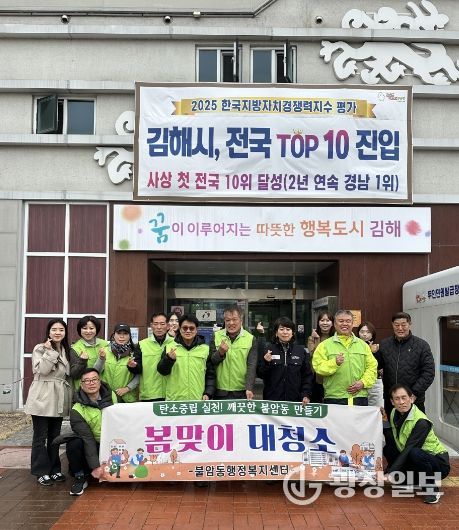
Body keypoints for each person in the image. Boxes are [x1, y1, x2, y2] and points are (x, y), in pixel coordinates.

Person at [24, 318, 72, 486]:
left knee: (55, 436)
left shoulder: (66, 350)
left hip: (58, 396)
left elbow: (67, 374)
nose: (58, 332)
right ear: (48, 332)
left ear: (65, 332)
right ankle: (41, 471)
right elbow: (43, 370)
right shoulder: (40, 348)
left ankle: (54, 469)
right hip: (42, 396)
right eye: (54, 329)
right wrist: (50, 352)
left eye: (61, 329)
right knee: (40, 436)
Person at [384, 384, 450, 504]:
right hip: (417, 460)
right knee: (388, 448)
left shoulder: (421, 421)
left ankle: (431, 491)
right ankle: (407, 479)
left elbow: (410, 448)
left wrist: (392, 471)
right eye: (397, 399)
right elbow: (392, 438)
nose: (401, 402)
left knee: (415, 452)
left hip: (438, 463)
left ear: (412, 399)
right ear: (392, 402)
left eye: (404, 398)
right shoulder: (394, 413)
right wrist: (383, 420)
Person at [65, 368, 116, 495]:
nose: (91, 383)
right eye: (87, 381)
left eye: (94, 379)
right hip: (94, 444)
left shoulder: (113, 396)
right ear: (81, 385)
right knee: (74, 443)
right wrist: (95, 466)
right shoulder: (77, 410)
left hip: (114, 444)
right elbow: (87, 439)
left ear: (99, 381)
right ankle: (80, 477)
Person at [312, 310, 377, 406]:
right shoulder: (324, 345)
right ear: (334, 324)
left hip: (359, 397)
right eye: (341, 321)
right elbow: (318, 366)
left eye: (348, 321)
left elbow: (372, 367)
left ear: (352, 324)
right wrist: (334, 363)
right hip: (334, 397)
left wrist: (363, 383)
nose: (344, 324)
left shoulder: (363, 345)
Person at [379, 312, 435, 414]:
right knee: (393, 424)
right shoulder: (384, 344)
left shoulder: (422, 345)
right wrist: (374, 353)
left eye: (403, 325)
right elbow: (377, 366)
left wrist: (414, 393)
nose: (400, 328)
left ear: (409, 324)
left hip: (413, 399)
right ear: (392, 325)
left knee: (415, 424)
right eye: (397, 325)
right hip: (391, 400)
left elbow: (429, 372)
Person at [157, 314, 215, 401]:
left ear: (196, 330)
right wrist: (169, 359)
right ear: (180, 329)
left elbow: (210, 375)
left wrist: (208, 393)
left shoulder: (205, 349)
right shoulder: (170, 347)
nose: (188, 331)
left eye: (191, 328)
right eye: (185, 328)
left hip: (198, 400)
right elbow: (162, 371)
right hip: (175, 401)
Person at [257, 316, 314, 404]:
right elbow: (260, 374)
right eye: (281, 329)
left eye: (288, 329)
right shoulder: (269, 350)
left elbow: (307, 376)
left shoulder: (300, 351)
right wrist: (267, 363)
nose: (285, 332)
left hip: (296, 400)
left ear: (292, 333)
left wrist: (306, 394)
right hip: (273, 400)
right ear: (276, 332)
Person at [209, 305, 257, 400]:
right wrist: (220, 353)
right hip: (220, 390)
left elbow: (251, 366)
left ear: (241, 320)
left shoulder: (250, 338)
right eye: (228, 320)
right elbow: (212, 361)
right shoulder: (216, 336)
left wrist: (249, 388)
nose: (231, 323)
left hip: (242, 391)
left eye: (235, 319)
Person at [128, 313, 175, 401]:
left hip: (171, 395)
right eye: (156, 324)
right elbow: (138, 369)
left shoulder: (176, 344)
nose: (159, 327)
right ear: (151, 326)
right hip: (149, 394)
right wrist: (133, 366)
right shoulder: (142, 344)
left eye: (162, 324)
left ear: (168, 326)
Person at [98, 322, 140, 403]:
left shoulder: (135, 353)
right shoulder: (105, 350)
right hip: (106, 396)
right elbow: (96, 371)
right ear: (114, 335)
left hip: (126, 398)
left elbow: (139, 375)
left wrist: (127, 388)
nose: (122, 336)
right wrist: (101, 359)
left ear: (129, 336)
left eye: (125, 334)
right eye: (119, 333)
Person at [69, 315, 108, 390]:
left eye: (91, 328)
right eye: (84, 328)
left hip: (103, 389)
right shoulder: (75, 348)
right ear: (80, 330)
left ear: (96, 329)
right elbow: (74, 375)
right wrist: (82, 361)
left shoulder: (105, 345)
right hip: (83, 390)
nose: (88, 331)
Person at [307, 311, 335, 403]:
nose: (325, 323)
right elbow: (314, 355)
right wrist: (317, 339)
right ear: (318, 322)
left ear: (332, 323)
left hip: (332, 374)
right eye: (322, 320)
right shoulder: (312, 338)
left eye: (328, 320)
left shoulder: (336, 337)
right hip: (316, 377)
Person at [357, 321, 384, 408]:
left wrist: (374, 353)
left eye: (368, 332)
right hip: (359, 382)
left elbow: (380, 367)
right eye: (362, 331)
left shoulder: (377, 347)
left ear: (373, 334)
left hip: (374, 383)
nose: (365, 334)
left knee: (376, 409)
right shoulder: (354, 346)